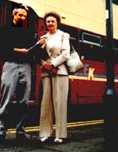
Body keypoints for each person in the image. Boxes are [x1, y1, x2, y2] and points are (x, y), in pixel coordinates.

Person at [0, 3, 36, 144]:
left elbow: (32, 50)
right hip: (10, 65)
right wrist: (19, 51)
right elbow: (1, 49)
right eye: (20, 15)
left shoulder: (29, 31)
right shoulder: (5, 30)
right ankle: (1, 132)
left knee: (24, 101)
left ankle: (20, 132)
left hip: (26, 66)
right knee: (6, 99)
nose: (22, 18)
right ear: (14, 15)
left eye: (24, 16)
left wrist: (36, 47)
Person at [37, 11, 70, 144]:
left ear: (57, 22)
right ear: (45, 23)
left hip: (60, 72)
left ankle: (60, 134)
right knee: (46, 103)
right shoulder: (43, 37)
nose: (50, 23)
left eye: (52, 21)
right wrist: (45, 65)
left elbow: (66, 53)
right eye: (48, 21)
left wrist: (53, 64)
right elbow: (38, 54)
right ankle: (45, 133)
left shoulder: (64, 35)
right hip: (46, 72)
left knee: (60, 103)